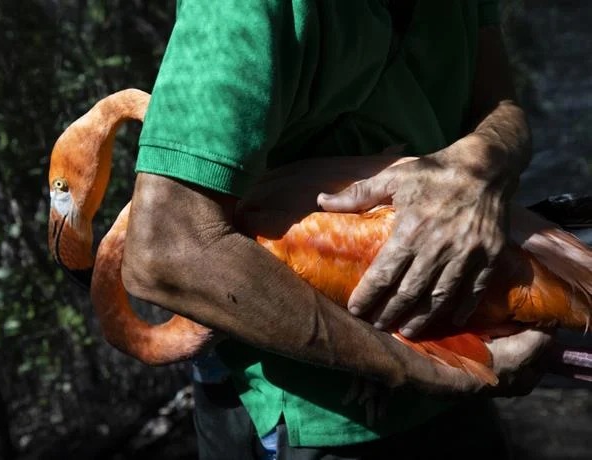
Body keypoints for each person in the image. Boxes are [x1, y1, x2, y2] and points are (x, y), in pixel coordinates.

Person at [122, 1, 549, 458]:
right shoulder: (239, 11)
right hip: (331, 414)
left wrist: (479, 162)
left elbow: (501, 104)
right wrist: (416, 367)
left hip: (463, 335)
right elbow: (167, 250)